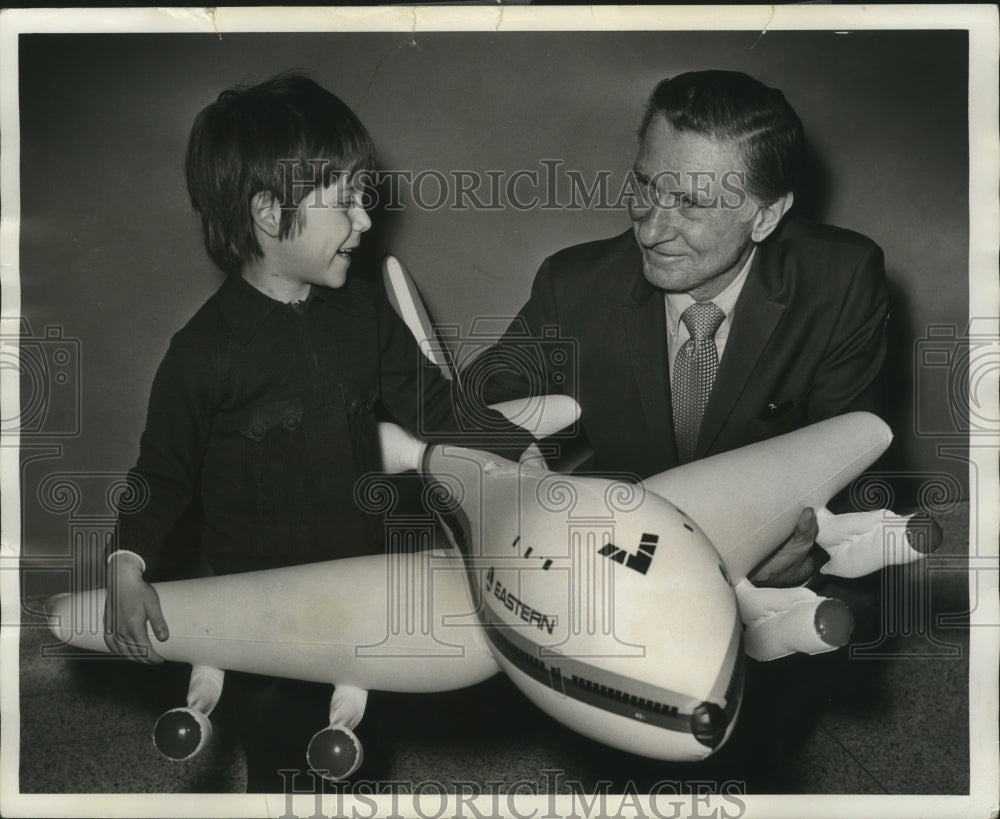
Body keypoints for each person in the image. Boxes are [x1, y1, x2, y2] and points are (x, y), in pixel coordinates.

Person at [101, 72, 532, 793]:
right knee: (289, 763)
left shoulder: (363, 314)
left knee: (362, 742)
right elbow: (162, 472)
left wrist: (524, 460)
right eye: (347, 201)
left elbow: (434, 407)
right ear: (269, 213)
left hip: (364, 581)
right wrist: (125, 562)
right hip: (267, 606)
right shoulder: (203, 353)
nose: (365, 220)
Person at [473, 70, 891, 788]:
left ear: (766, 215)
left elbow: (848, 454)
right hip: (623, 576)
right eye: (645, 184)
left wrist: (808, 539)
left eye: (693, 202)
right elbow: (477, 407)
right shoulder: (573, 285)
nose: (651, 224)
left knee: (754, 753)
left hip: (766, 581)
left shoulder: (843, 279)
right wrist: (529, 487)